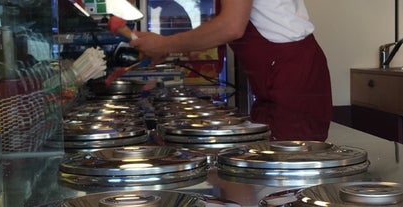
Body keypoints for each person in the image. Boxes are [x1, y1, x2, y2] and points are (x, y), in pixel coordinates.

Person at [130, 0, 333, 141]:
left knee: (287, 173)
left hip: (292, 78)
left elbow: (231, 26)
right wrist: (168, 47)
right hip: (276, 77)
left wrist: (165, 45)